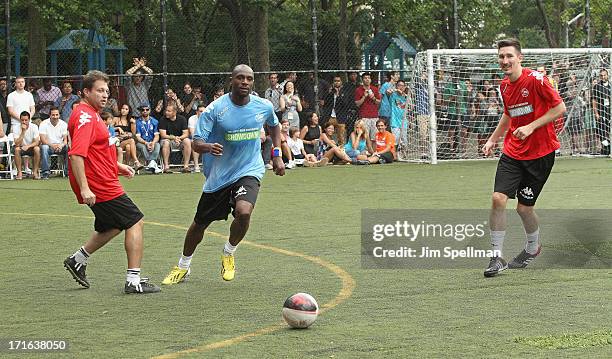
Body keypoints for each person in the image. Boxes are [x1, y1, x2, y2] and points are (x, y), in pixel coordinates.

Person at [161, 64, 285, 285]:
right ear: (232, 80)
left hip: (249, 168)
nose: (245, 82)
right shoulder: (215, 109)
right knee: (199, 224)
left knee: (244, 211)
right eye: (240, 78)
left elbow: (274, 127)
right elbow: (196, 142)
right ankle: (183, 265)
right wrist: (209, 147)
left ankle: (228, 252)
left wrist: (276, 154)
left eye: (249, 79)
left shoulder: (263, 106)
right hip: (219, 175)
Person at [62, 70, 160, 294]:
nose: (105, 95)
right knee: (135, 221)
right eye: (99, 90)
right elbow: (76, 154)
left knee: (115, 224)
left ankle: (77, 260)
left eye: (107, 91)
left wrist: (117, 166)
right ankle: (133, 281)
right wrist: (85, 188)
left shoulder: (93, 114)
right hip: (99, 183)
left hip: (102, 178)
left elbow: (95, 151)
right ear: (86, 92)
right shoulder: (86, 116)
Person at [482, 39, 566, 277]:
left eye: (509, 56)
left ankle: (532, 247)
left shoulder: (537, 80)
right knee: (498, 198)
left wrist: (530, 127)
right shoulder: (504, 86)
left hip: (541, 154)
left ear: (520, 57)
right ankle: (496, 257)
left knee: (524, 209)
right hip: (513, 152)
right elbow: (508, 115)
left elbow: (559, 108)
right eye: (501, 57)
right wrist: (492, 139)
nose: (505, 61)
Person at [39, 107, 69, 179]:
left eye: (56, 115)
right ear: (50, 115)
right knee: (44, 147)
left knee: (68, 147)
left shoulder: (64, 124)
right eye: (53, 115)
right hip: (49, 146)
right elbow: (43, 140)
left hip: (60, 147)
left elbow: (65, 140)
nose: (55, 117)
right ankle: (45, 173)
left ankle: (67, 172)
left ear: (59, 115)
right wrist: (52, 145)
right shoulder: (43, 123)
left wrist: (61, 145)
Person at [12, 111, 41, 179]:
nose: (24, 122)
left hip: (30, 147)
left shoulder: (34, 127)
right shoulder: (16, 127)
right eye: (22, 120)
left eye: (26, 120)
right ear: (20, 120)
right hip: (20, 147)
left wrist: (28, 146)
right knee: (16, 149)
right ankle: (19, 173)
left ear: (29, 120)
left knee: (37, 149)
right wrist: (23, 131)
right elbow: (17, 144)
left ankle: (35, 172)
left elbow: (37, 142)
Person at [134, 104, 162, 173]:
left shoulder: (155, 121)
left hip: (152, 141)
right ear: (140, 111)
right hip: (141, 142)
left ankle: (151, 164)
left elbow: (157, 136)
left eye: (147, 109)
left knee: (157, 145)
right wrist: (146, 143)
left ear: (150, 110)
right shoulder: (137, 122)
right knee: (143, 147)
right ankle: (152, 163)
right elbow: (138, 137)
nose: (145, 111)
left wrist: (153, 143)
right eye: (143, 110)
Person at [592, 69, 610, 155]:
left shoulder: (610, 86)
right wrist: (596, 113)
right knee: (600, 132)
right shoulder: (597, 86)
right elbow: (594, 101)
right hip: (601, 112)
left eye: (604, 75)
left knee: (607, 131)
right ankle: (607, 146)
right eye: (601, 75)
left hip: (610, 112)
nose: (603, 77)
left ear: (607, 75)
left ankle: (606, 149)